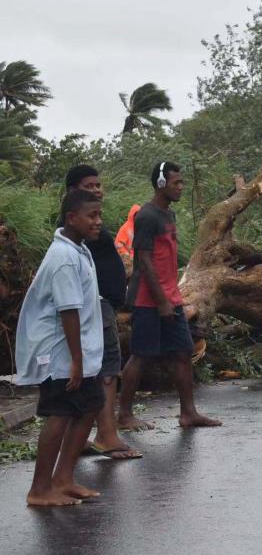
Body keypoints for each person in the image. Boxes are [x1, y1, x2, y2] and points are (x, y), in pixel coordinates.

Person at [15, 190, 106, 506]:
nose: (98, 222)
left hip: (78, 351)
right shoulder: (63, 258)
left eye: (99, 215)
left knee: (92, 403)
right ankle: (39, 489)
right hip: (60, 353)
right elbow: (68, 311)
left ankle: (64, 478)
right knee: (60, 412)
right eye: (91, 216)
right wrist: (77, 360)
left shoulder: (78, 250)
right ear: (71, 218)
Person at [118, 161, 221, 430]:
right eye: (176, 183)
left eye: (182, 182)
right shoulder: (147, 216)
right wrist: (161, 300)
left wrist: (172, 296)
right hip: (148, 299)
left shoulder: (169, 215)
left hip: (171, 298)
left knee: (183, 352)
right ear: (161, 183)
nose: (181, 187)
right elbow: (145, 261)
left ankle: (188, 413)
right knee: (141, 355)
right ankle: (124, 415)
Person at [63, 166, 142, 460]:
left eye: (98, 185)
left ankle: (80, 437)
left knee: (96, 370)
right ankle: (107, 435)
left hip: (102, 302)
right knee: (107, 368)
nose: (96, 190)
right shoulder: (78, 226)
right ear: (72, 191)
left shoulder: (83, 222)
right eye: (88, 185)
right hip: (96, 304)